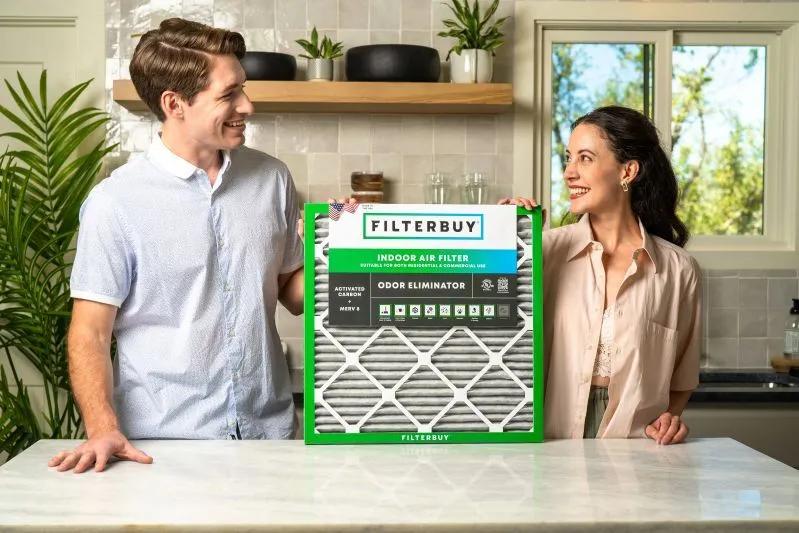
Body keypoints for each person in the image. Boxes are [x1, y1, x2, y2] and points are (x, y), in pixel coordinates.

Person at [49, 18, 307, 473]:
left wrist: (346, 249)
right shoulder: (116, 202)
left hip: (270, 439)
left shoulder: (273, 179)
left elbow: (292, 292)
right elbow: (89, 332)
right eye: (228, 94)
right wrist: (102, 427)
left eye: (242, 89)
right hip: (161, 448)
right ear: (175, 104)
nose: (246, 105)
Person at [501, 106, 700, 444]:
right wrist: (507, 238)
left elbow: (681, 380)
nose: (568, 172)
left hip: (638, 454)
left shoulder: (678, 270)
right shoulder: (544, 252)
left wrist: (671, 420)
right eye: (568, 158)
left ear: (628, 171)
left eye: (585, 158)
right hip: (552, 444)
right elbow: (490, 337)